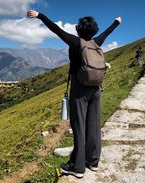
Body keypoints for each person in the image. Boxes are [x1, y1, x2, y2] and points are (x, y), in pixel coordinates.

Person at [27, 10, 121, 178]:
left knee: (78, 126)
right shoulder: (96, 42)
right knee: (93, 124)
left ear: (79, 29)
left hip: (80, 88)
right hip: (96, 88)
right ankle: (93, 162)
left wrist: (40, 15)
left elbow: (56, 29)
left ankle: (77, 167)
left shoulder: (76, 42)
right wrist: (116, 22)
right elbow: (107, 32)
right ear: (93, 31)